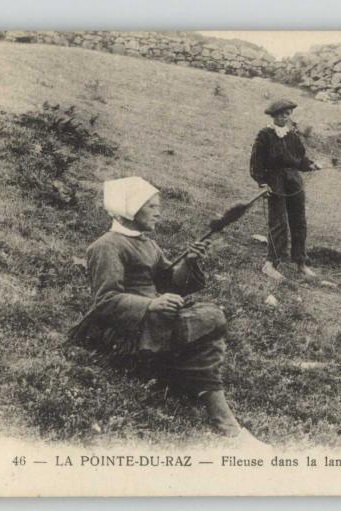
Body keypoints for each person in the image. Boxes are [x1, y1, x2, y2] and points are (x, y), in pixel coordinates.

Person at [69, 177, 243, 438]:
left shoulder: (147, 244)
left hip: (152, 322)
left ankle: (208, 403)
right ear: (130, 209)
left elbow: (169, 281)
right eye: (151, 206)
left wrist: (189, 261)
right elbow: (106, 301)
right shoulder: (106, 246)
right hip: (123, 329)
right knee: (208, 321)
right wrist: (152, 303)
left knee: (209, 318)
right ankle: (218, 412)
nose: (158, 212)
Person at [249, 98, 321, 281]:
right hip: (275, 181)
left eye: (288, 114)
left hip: (294, 181)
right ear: (274, 116)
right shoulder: (265, 135)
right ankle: (271, 263)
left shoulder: (293, 136)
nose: (285, 118)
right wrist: (262, 182)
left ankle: (300, 262)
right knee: (278, 221)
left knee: (299, 221)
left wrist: (311, 165)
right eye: (281, 115)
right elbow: (256, 162)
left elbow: (300, 159)